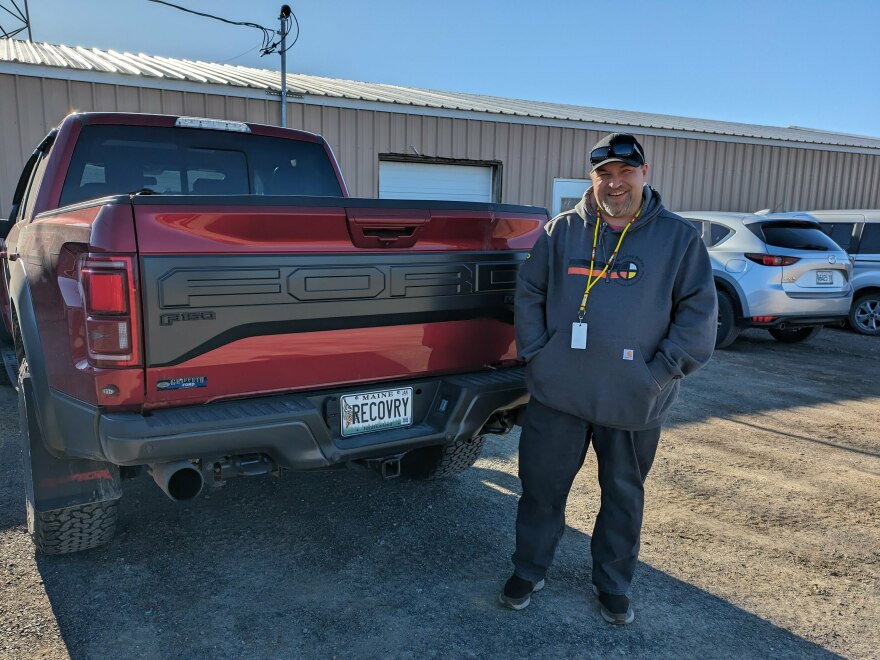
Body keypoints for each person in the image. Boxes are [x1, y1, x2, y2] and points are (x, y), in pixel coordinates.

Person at [499, 133, 717, 624]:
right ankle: (528, 570)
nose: (615, 183)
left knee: (622, 496)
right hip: (559, 394)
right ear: (592, 177)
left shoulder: (678, 239)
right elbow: (530, 292)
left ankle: (613, 584)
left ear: (644, 173)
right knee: (540, 489)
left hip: (633, 399)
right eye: (604, 173)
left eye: (625, 172)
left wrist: (657, 374)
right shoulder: (562, 232)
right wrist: (539, 355)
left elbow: (698, 318)